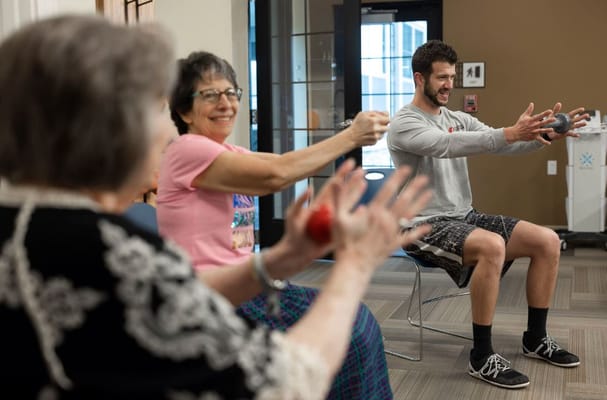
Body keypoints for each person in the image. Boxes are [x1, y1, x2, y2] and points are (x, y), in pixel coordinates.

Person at [0, 15, 433, 399]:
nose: (161, 131)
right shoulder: (105, 246)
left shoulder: (40, 228)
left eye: (231, 93)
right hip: (229, 310)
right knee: (355, 329)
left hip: (223, 284)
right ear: (110, 129)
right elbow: (281, 383)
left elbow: (277, 170)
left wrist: (282, 258)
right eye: (155, 108)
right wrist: (355, 265)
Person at [156, 51, 394, 399]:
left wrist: (349, 133)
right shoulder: (186, 149)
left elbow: (284, 164)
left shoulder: (227, 152)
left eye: (231, 93)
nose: (225, 103)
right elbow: (275, 176)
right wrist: (352, 137)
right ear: (183, 110)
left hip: (246, 286)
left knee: (353, 325)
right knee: (352, 328)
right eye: (210, 95)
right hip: (210, 298)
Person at [387, 40, 588, 390]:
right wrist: (507, 132)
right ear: (419, 79)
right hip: (420, 224)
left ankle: (535, 338)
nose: (449, 84)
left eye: (452, 76)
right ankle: (481, 357)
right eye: (441, 78)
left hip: (463, 215)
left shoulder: (457, 118)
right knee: (493, 246)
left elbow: (502, 144)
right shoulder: (403, 124)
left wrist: (543, 135)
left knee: (548, 240)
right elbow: (446, 145)